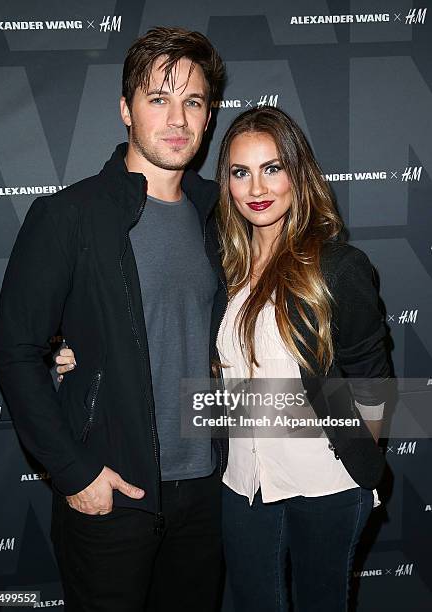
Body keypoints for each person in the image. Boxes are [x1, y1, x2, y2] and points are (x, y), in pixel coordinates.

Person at [58, 106, 390, 611]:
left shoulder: (338, 267)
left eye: (272, 168)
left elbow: (375, 385)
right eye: (240, 171)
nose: (257, 186)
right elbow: (168, 323)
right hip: (240, 487)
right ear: (226, 182)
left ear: (298, 174)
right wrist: (83, 351)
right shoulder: (221, 262)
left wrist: (360, 466)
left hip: (326, 482)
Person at [0, 27, 228, 612]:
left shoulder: (222, 216)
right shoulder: (68, 216)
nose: (177, 119)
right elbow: (15, 349)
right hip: (113, 492)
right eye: (158, 99)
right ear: (125, 109)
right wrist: (74, 473)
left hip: (209, 490)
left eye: (192, 101)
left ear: (208, 115)